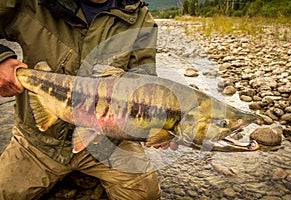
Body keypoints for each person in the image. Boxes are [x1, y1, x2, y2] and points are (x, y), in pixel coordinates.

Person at [0, 0, 178, 199]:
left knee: (146, 194)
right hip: (38, 142)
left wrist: (157, 128)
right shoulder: (28, 3)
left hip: (107, 143)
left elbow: (145, 87)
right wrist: (1, 59)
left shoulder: (139, 18)